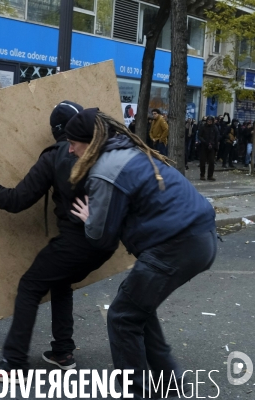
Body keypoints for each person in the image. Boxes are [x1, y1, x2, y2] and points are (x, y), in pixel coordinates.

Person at [0, 101, 115, 381]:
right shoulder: (110, 150)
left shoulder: (55, 156)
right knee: (60, 280)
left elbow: (16, 201)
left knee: (29, 286)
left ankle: (15, 363)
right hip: (106, 243)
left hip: (77, 242)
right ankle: (62, 352)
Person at [66, 108, 217, 399]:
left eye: (73, 142)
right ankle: (174, 389)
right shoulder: (129, 151)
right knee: (138, 312)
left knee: (122, 317)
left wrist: (89, 219)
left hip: (176, 245)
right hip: (199, 237)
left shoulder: (105, 170)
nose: (70, 149)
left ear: (91, 141)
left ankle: (137, 393)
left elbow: (101, 237)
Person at [198, 116, 220, 181]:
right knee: (202, 161)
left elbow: (217, 137)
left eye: (210, 121)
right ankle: (202, 174)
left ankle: (210, 175)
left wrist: (216, 147)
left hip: (212, 146)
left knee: (211, 161)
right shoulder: (203, 127)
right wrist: (204, 142)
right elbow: (199, 136)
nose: (209, 122)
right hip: (204, 146)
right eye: (208, 120)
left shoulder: (215, 128)